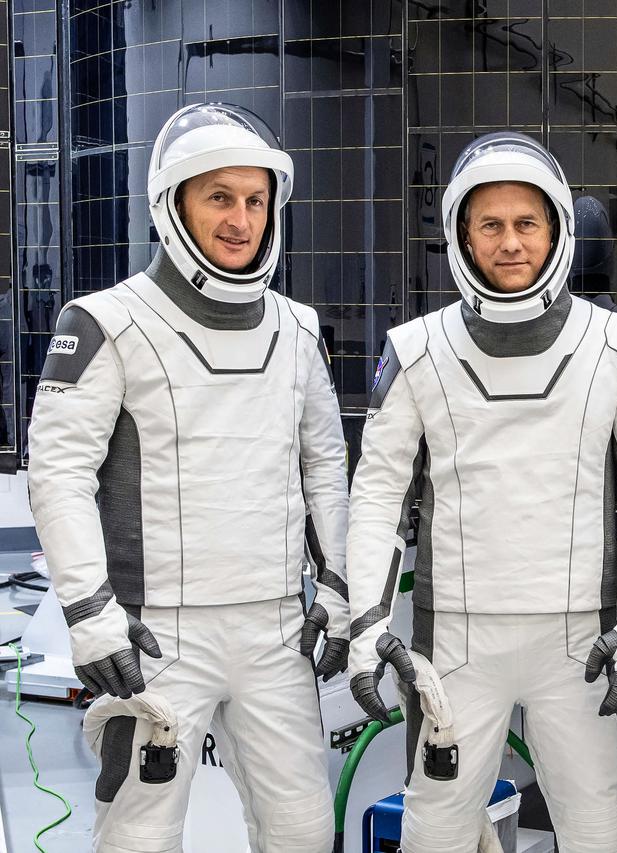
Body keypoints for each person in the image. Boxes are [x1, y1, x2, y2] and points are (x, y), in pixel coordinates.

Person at [26, 103, 349, 852]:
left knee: (303, 827)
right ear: (172, 204)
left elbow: (326, 469)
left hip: (275, 628)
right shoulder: (106, 322)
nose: (241, 220)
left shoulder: (298, 329)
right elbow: (59, 470)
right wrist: (90, 611)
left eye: (255, 200)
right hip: (155, 635)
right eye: (220, 198)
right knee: (140, 834)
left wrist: (335, 586)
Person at [346, 131, 617, 853]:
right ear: (462, 235)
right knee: (436, 833)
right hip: (457, 645)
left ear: (556, 228)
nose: (509, 242)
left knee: (600, 833)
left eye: (526, 223)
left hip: (584, 647)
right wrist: (367, 626)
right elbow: (374, 495)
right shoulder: (416, 349)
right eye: (489, 224)